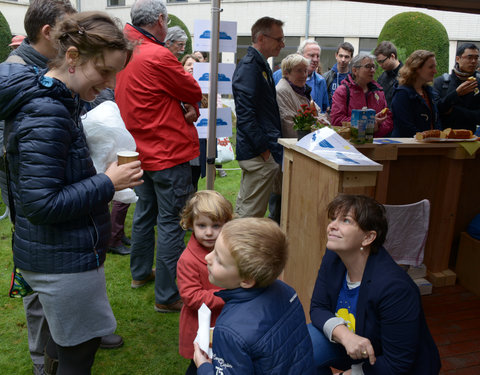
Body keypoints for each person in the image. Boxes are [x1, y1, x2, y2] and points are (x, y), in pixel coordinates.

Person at [0, 11, 143, 375]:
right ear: (73, 57)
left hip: (57, 251)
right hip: (60, 257)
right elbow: (40, 203)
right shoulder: (48, 112)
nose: (110, 83)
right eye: (104, 71)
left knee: (65, 340)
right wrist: (108, 183)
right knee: (78, 350)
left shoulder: (60, 100)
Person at [115, 0, 202, 312]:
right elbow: (191, 88)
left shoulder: (126, 50)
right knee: (171, 222)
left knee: (145, 214)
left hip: (139, 150)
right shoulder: (156, 54)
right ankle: (167, 295)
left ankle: (140, 274)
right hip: (167, 151)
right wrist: (188, 103)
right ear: (161, 20)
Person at [308, 194, 441, 374]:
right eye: (333, 219)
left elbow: (397, 364)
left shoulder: (396, 289)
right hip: (353, 350)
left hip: (392, 367)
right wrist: (345, 336)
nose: (332, 226)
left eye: (345, 221)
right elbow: (318, 307)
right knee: (302, 345)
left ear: (368, 238)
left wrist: (349, 374)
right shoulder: (334, 256)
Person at [193, 217, 314, 374]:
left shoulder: (229, 332)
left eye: (219, 260)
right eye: (214, 250)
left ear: (247, 280)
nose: (207, 258)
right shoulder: (287, 291)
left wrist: (204, 368)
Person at [177, 190, 234, 375]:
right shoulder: (188, 260)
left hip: (227, 322)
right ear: (190, 224)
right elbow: (191, 296)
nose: (209, 232)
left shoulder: (228, 251)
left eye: (216, 226)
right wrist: (229, 295)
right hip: (202, 325)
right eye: (202, 225)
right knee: (201, 362)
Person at [233, 16, 284, 219]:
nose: (282, 44)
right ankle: (237, 250)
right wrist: (264, 150)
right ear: (261, 38)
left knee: (249, 209)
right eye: (278, 39)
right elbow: (245, 116)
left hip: (260, 151)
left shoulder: (259, 65)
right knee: (249, 214)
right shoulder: (250, 66)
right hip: (257, 153)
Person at [330, 52, 393, 137]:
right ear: (355, 70)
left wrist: (377, 128)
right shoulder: (342, 91)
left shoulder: (378, 92)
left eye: (373, 67)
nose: (372, 70)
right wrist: (367, 124)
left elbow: (388, 119)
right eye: (368, 66)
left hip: (375, 145)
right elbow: (337, 121)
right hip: (351, 145)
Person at [276, 53, 328, 138]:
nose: (304, 75)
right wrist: (316, 123)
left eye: (305, 71)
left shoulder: (301, 89)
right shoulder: (281, 91)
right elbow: (289, 128)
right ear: (286, 72)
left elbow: (318, 113)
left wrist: (321, 121)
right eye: (299, 71)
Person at [391, 50, 441, 137]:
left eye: (435, 67)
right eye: (431, 67)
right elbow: (405, 127)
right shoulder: (402, 94)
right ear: (417, 68)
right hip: (409, 148)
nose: (435, 71)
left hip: (428, 146)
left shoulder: (430, 92)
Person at [433, 42, 480, 132]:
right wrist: (456, 93)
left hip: (471, 139)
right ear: (457, 59)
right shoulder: (442, 82)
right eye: (469, 57)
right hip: (444, 138)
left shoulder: (478, 82)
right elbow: (436, 110)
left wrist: (455, 111)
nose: (474, 61)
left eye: (476, 58)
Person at [273, 39, 330, 112]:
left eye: (318, 56)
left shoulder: (321, 81)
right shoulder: (278, 76)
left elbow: (323, 110)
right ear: (299, 55)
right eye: (311, 55)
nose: (315, 59)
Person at [323, 42, 354, 107]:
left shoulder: (355, 77)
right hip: (330, 115)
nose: (343, 59)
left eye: (346, 57)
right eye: (341, 56)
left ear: (351, 58)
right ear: (336, 55)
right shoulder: (326, 77)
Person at [373, 41, 403, 108]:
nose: (380, 65)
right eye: (378, 62)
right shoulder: (382, 77)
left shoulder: (407, 75)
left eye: (382, 61)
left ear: (392, 56)